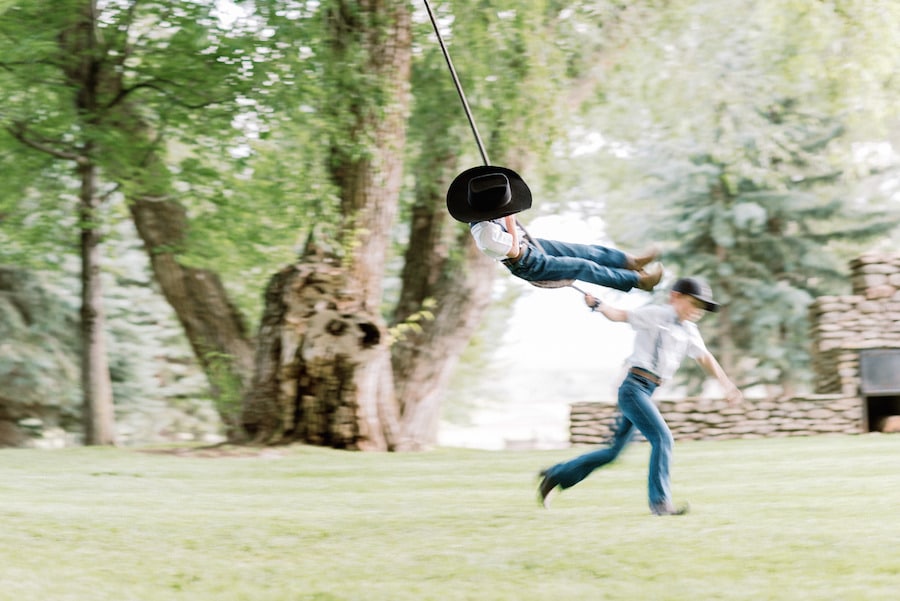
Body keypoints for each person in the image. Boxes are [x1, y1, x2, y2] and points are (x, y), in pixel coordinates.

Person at [537, 277, 744, 515]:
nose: (697, 312)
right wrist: (599, 305)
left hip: (647, 391)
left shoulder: (689, 330)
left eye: (701, 308)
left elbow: (704, 357)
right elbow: (620, 315)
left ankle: (555, 475)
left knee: (612, 452)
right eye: (693, 304)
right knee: (663, 439)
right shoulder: (656, 314)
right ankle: (660, 504)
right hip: (633, 388)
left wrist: (727, 385)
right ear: (675, 297)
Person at [446, 165, 662, 292]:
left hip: (528, 244)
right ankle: (638, 281)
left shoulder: (486, 206)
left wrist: (505, 210)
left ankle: (630, 262)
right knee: (583, 266)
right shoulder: (486, 236)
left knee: (586, 251)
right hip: (527, 262)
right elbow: (512, 249)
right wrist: (509, 216)